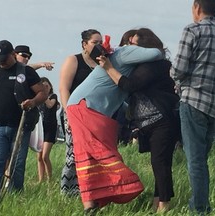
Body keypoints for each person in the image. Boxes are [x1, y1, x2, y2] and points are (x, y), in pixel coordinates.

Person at [66, 29, 164, 214]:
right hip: (86, 107)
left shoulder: (119, 57)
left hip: (89, 108)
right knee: (97, 153)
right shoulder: (125, 51)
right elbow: (156, 52)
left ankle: (93, 203)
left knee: (89, 155)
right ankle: (117, 189)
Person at [99, 28, 180, 213]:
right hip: (151, 122)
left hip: (161, 120)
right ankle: (158, 202)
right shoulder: (148, 65)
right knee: (160, 162)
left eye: (134, 44)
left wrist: (108, 67)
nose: (131, 48)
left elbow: (130, 85)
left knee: (160, 162)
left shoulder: (156, 65)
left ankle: (164, 206)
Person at [170, 0, 215, 213]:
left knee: (195, 160)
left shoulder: (193, 30)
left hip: (193, 101)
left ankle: (200, 208)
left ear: (197, 7)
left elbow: (177, 70)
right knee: (202, 159)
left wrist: (178, 81)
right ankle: (201, 204)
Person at [0, 40, 47, 198]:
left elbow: (43, 93)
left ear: (13, 54)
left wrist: (33, 102)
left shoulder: (26, 72)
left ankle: (15, 195)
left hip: (21, 126)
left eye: (4, 58)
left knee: (17, 163)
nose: (2, 62)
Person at [59, 29, 102, 196]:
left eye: (101, 42)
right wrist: (69, 114)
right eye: (95, 43)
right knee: (73, 155)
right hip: (75, 113)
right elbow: (64, 88)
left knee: (93, 156)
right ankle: (68, 192)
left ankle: (90, 191)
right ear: (85, 44)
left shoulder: (102, 63)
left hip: (95, 115)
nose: (99, 46)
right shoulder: (74, 60)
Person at [37, 77, 58, 182]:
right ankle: (41, 180)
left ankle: (50, 179)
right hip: (41, 128)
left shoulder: (53, 96)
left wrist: (44, 94)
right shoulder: (39, 98)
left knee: (45, 156)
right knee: (39, 157)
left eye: (47, 85)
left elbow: (50, 105)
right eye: (43, 86)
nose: (45, 87)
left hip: (50, 128)